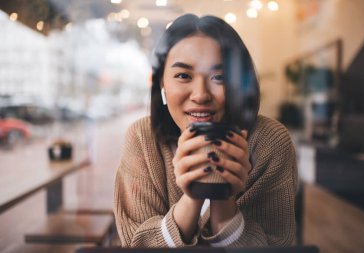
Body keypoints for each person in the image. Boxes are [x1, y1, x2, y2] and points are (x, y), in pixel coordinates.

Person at [114, 13, 298, 248]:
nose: (201, 95)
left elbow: (276, 246)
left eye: (219, 77)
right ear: (161, 82)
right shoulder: (142, 138)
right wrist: (192, 197)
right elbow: (138, 245)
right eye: (183, 75)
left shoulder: (269, 141)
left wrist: (223, 198)